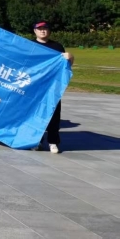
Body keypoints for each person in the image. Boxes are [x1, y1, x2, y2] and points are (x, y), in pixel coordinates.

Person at [32, 21, 74, 154]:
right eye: (39, 29)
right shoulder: (30, 46)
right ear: (35, 31)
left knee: (53, 113)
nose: (42, 31)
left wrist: (70, 57)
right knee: (35, 113)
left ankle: (53, 141)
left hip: (52, 86)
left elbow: (67, 65)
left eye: (45, 28)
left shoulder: (57, 46)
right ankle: (36, 140)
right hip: (35, 86)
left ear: (49, 31)